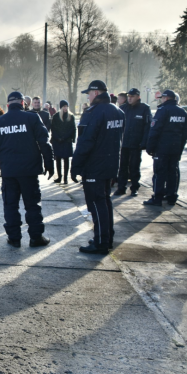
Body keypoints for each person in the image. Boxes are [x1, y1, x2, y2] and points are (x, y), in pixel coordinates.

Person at [0, 91, 54, 248]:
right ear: (23, 103)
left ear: (7, 105)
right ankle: (36, 237)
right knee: (32, 205)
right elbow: (44, 142)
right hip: (29, 170)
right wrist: (49, 164)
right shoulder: (32, 118)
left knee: (10, 205)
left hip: (9, 171)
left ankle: (14, 238)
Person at [71, 80, 124, 255]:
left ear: (95, 93)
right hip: (109, 164)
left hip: (94, 165)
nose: (88, 96)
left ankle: (101, 242)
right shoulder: (117, 111)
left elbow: (85, 142)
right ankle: (106, 238)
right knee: (105, 202)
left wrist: (76, 166)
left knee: (96, 203)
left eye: (89, 93)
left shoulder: (93, 113)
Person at [144, 90, 187, 206]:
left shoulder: (163, 110)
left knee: (159, 173)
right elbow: (184, 134)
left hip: (162, 148)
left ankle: (157, 198)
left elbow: (155, 130)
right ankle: (171, 196)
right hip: (175, 149)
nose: (161, 100)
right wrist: (180, 149)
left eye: (162, 98)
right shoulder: (182, 112)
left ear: (166, 98)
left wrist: (150, 147)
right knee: (173, 173)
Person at [114, 88, 152, 197]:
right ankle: (121, 188)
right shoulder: (123, 108)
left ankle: (134, 188)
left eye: (132, 97)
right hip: (124, 143)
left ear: (138, 97)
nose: (129, 99)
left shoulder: (144, 108)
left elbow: (147, 127)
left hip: (136, 143)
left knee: (134, 167)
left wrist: (144, 142)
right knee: (122, 167)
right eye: (128, 96)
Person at [50, 100, 77, 184]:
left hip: (67, 141)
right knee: (58, 159)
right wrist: (57, 138)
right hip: (57, 141)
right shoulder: (56, 116)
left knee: (66, 159)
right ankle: (59, 177)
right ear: (61, 107)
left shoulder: (71, 116)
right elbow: (53, 129)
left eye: (66, 106)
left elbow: (73, 128)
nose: (65, 108)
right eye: (64, 106)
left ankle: (65, 178)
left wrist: (69, 138)